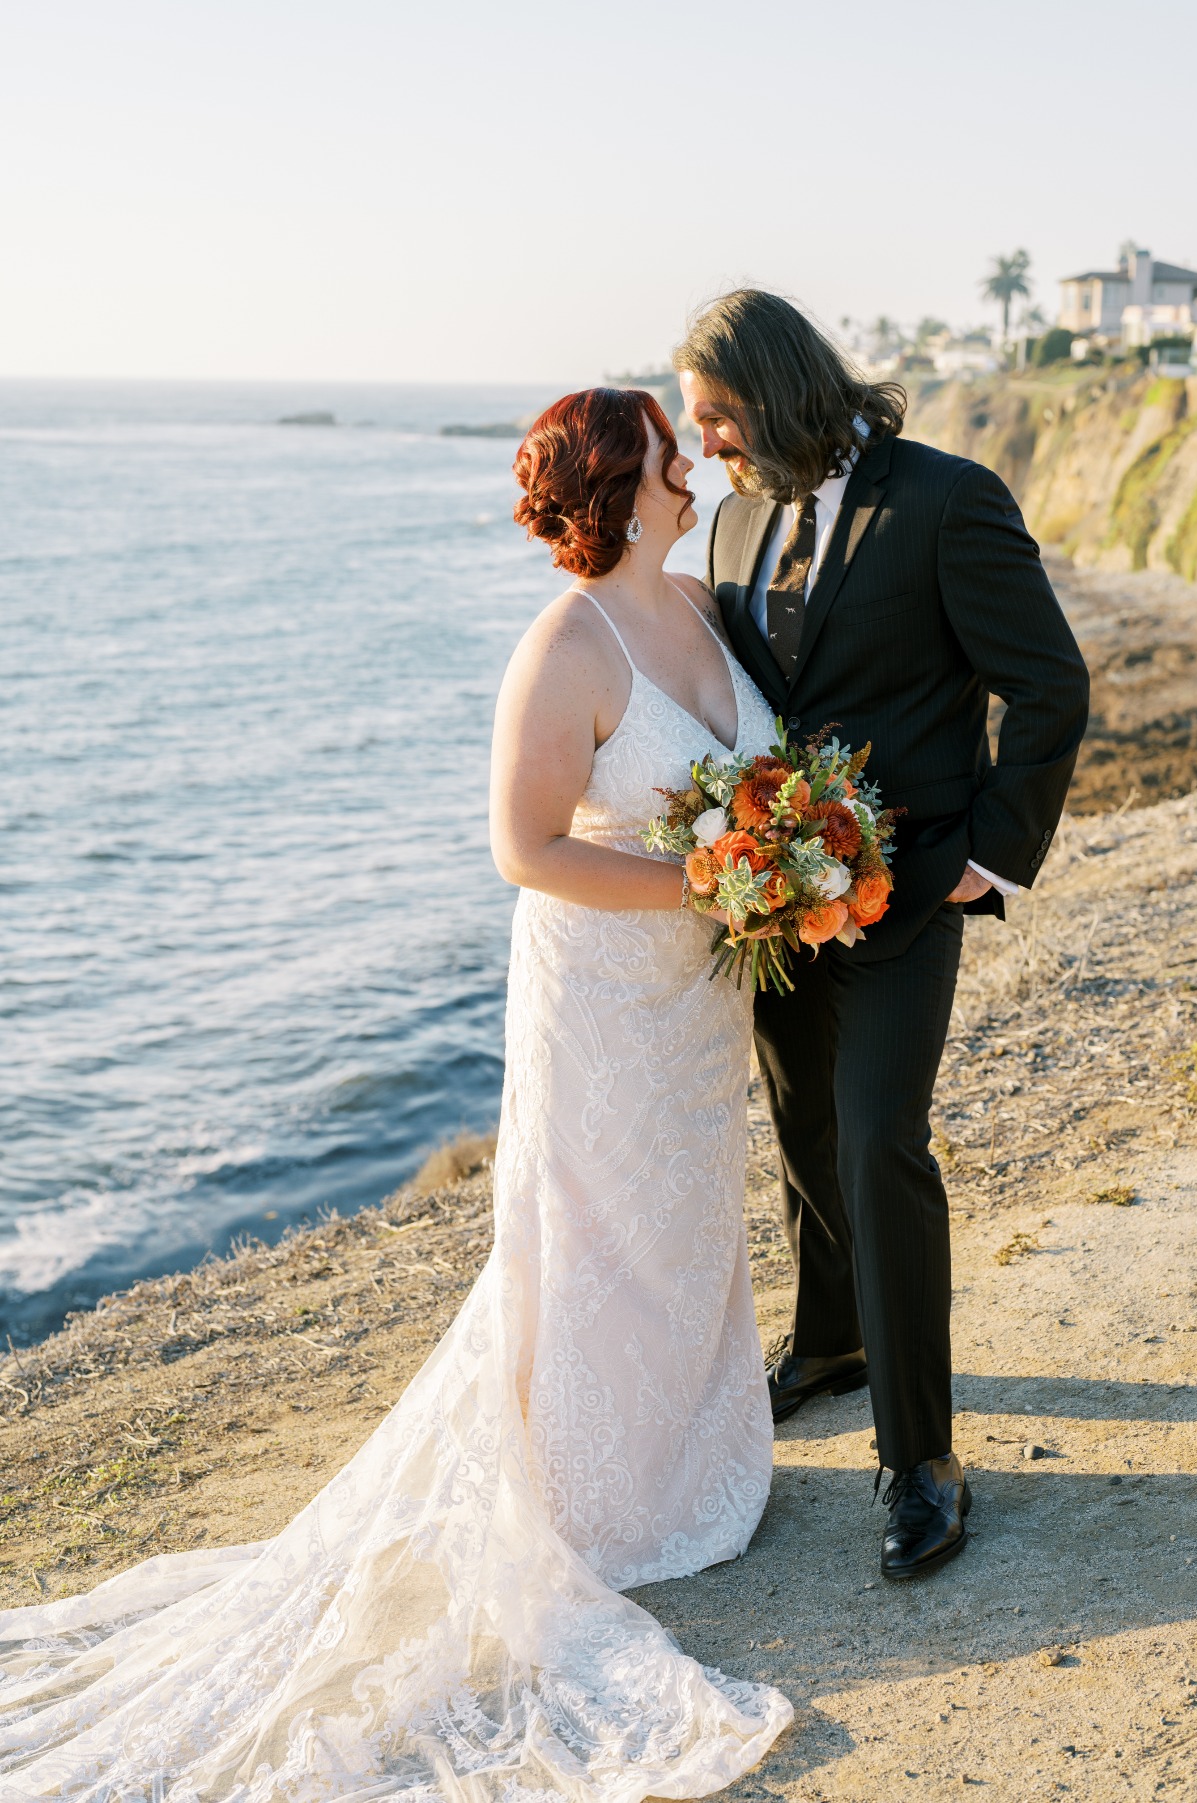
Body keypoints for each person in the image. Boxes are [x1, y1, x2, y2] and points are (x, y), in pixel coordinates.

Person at [0, 388, 793, 1800]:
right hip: (607, 993)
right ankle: (601, 1506)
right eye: (678, 453)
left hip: (697, 998)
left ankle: (695, 1461)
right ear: (628, 485)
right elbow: (525, 847)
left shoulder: (705, 608)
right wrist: (711, 880)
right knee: (596, 1230)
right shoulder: (568, 644)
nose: (701, 462)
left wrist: (775, 864)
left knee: (685, 1222)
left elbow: (746, 781)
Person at [674, 290, 1090, 1581]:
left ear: (780, 392)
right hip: (778, 895)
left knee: (877, 1143)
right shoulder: (738, 519)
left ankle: (920, 1455)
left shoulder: (946, 499)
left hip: (915, 888)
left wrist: (988, 855)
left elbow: (1049, 684)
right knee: (802, 1131)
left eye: (719, 420)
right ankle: (834, 1338)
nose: (709, 453)